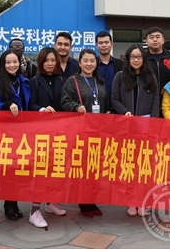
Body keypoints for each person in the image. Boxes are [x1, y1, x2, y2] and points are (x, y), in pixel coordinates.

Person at [110, 44, 159, 217]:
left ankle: (144, 201)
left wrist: (152, 123)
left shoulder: (150, 77)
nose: (136, 60)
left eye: (139, 57)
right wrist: (125, 112)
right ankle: (131, 201)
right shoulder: (120, 76)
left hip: (146, 126)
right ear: (128, 58)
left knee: (145, 166)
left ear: (143, 59)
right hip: (127, 126)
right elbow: (114, 99)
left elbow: (155, 102)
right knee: (129, 165)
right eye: (133, 57)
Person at [61, 48, 108, 218]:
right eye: (85, 61)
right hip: (80, 131)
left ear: (96, 63)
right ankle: (83, 201)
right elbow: (64, 101)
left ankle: (92, 199)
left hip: (98, 131)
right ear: (79, 63)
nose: (89, 64)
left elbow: (104, 102)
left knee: (95, 167)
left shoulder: (99, 82)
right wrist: (76, 107)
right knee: (82, 167)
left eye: (92, 61)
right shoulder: (72, 81)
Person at [27, 47, 68, 227]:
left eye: (53, 60)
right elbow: (31, 104)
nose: (50, 63)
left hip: (59, 132)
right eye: (46, 60)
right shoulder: (34, 81)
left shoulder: (63, 80)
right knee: (41, 171)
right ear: (41, 62)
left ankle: (50, 202)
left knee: (56, 168)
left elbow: (66, 103)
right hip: (41, 133)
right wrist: (42, 110)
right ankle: (34, 210)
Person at [0, 49, 31, 221]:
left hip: (23, 131)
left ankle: (15, 202)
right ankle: (9, 204)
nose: (12, 65)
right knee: (8, 168)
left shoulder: (24, 80)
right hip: (5, 132)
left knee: (18, 168)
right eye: (8, 62)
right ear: (3, 64)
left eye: (15, 62)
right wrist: (7, 105)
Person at [145, 27, 170, 116]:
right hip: (148, 101)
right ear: (146, 41)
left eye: (157, 37)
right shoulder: (142, 58)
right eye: (151, 37)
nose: (155, 40)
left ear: (163, 40)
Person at [96, 31, 124, 104]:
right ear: (96, 45)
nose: (104, 45)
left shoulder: (121, 64)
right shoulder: (92, 65)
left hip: (118, 105)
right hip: (97, 105)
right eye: (100, 43)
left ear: (111, 44)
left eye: (106, 42)